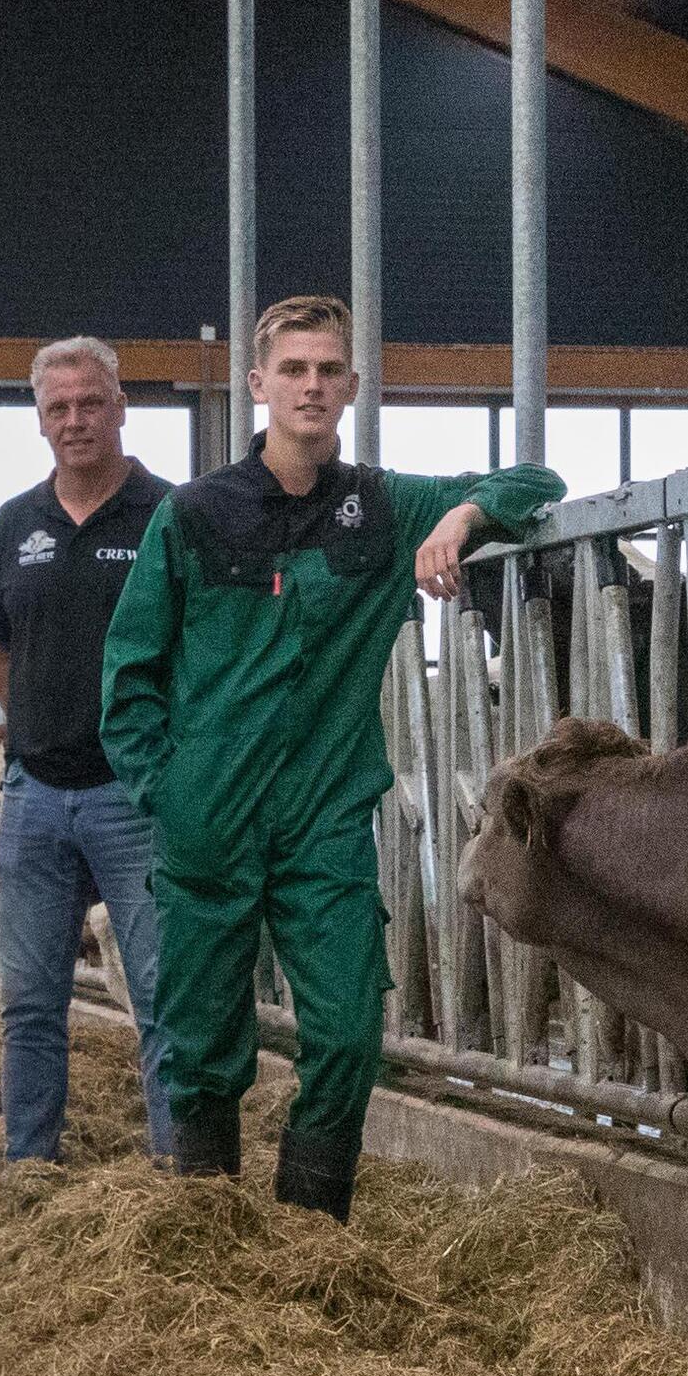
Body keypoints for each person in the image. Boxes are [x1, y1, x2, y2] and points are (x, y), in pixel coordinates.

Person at [100, 295, 563, 1220]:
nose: (312, 387)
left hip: (324, 820)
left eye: (330, 371)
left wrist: (466, 514)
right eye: (295, 370)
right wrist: (173, 790)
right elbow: (129, 676)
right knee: (200, 1043)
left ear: (351, 387)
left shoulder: (382, 509)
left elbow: (536, 480)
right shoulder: (193, 515)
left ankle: (313, 1236)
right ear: (258, 383)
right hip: (209, 821)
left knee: (350, 1032)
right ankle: (205, 1237)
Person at [0, 336, 176, 1163]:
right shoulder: (15, 525)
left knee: (163, 995)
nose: (77, 420)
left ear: (121, 407)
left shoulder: (168, 514)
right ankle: (29, 1169)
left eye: (92, 403)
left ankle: (179, 1178)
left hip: (135, 796)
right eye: (59, 408)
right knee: (29, 1001)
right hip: (36, 797)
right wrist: (36, 728)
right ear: (40, 420)